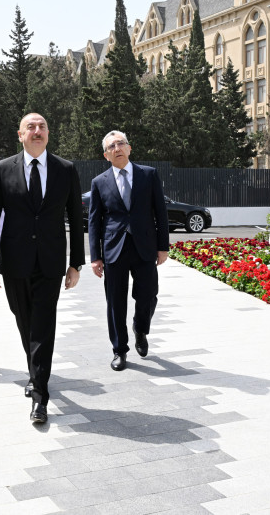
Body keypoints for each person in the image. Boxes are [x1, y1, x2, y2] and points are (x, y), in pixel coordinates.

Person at [0, 113, 85, 424]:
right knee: (24, 321)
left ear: (48, 134)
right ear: (20, 134)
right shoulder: (2, 169)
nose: (37, 131)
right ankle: (34, 371)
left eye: (42, 127)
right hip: (14, 261)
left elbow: (76, 219)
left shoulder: (65, 169)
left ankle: (40, 395)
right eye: (31, 127)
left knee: (43, 325)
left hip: (50, 263)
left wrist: (75, 263)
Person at [88, 130, 169, 371]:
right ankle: (119, 350)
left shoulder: (148, 175)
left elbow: (160, 213)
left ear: (129, 148)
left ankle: (140, 328)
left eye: (121, 143)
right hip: (114, 249)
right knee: (115, 302)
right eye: (112, 146)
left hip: (144, 246)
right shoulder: (99, 182)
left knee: (148, 295)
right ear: (106, 155)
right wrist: (95, 256)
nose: (117, 148)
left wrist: (162, 246)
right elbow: (94, 221)